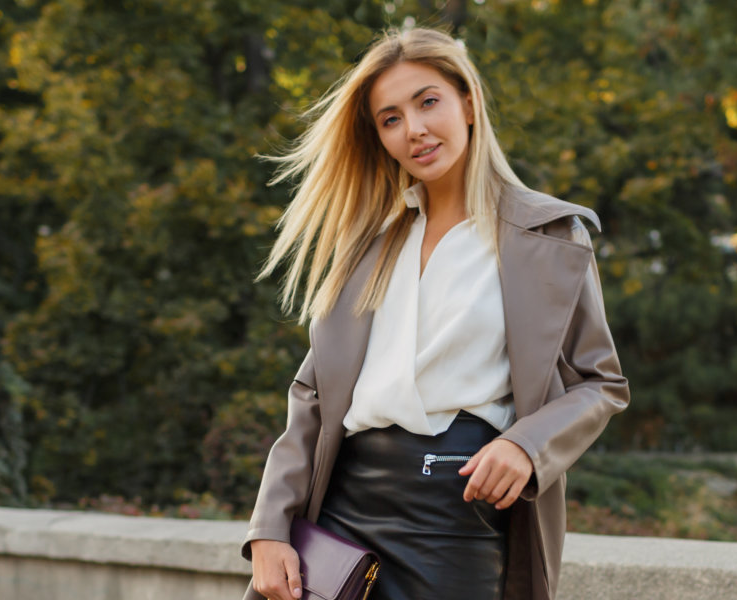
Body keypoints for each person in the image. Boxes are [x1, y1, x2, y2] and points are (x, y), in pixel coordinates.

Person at [241, 25, 628, 600]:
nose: (414, 129)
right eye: (390, 118)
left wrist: (526, 444)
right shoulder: (365, 244)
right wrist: (270, 528)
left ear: (468, 103)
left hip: (457, 518)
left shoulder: (548, 235)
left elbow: (601, 383)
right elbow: (313, 398)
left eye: (428, 102)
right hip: (340, 516)